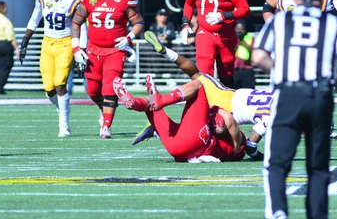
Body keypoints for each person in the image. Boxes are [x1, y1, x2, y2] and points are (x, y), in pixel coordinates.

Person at [251, 0, 337, 219]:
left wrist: (279, 71)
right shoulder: (331, 23)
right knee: (318, 169)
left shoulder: (279, 21)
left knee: (276, 162)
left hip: (288, 93)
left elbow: (258, 56)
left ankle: (276, 210)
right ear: (322, 0)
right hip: (320, 95)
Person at [133, 30, 268, 160]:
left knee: (195, 74)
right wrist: (256, 155)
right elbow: (251, 144)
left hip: (227, 92)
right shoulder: (276, 111)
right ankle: (158, 120)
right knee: (198, 127)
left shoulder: (279, 94)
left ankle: (166, 52)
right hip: (226, 108)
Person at [70, 0, 144, 139]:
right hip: (94, 50)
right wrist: (75, 47)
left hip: (115, 50)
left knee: (110, 86)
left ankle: (106, 126)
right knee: (93, 90)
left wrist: (129, 38)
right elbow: (76, 22)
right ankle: (103, 111)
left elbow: (139, 22)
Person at [114, 76, 247, 163]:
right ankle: (133, 103)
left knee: (198, 85)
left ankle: (162, 99)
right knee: (152, 105)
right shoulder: (227, 147)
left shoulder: (234, 143)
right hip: (177, 150)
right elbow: (224, 126)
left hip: (195, 143)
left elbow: (228, 122)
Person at [19, 0, 82, 138]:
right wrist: (25, 40)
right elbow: (36, 16)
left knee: (60, 82)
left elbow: (81, 23)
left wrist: (80, 48)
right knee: (48, 87)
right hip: (47, 42)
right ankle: (62, 109)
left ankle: (64, 125)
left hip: (65, 42)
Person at [180, 0, 250, 88]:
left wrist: (223, 15)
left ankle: (226, 104)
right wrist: (185, 24)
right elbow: (189, 3)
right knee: (204, 72)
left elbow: (245, 9)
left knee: (227, 74)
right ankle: (206, 106)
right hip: (205, 32)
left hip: (226, 35)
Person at [234, 20, 256, 89]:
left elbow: (254, 49)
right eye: (238, 29)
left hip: (247, 70)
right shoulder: (231, 38)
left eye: (241, 29)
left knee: (248, 91)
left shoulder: (249, 37)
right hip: (234, 70)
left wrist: (242, 42)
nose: (239, 31)